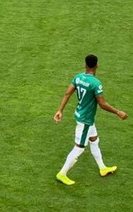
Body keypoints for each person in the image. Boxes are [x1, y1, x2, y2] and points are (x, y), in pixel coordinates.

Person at [54, 54, 127, 186]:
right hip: (85, 120)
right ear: (97, 66)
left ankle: (102, 168)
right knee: (79, 148)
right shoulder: (95, 83)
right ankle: (62, 173)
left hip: (81, 115)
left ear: (85, 65)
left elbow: (67, 93)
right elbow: (102, 104)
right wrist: (118, 112)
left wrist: (60, 110)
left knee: (94, 140)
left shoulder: (78, 78)